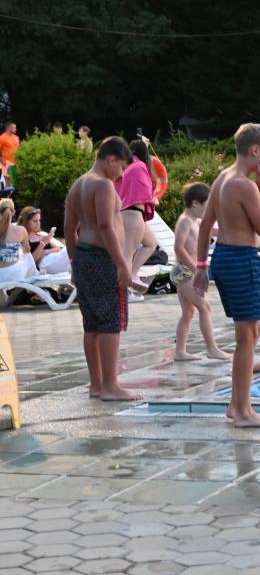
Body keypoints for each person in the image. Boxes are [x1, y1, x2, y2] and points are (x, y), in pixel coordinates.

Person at [193, 122, 260, 427]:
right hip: (242, 259)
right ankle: (242, 410)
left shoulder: (222, 178)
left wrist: (201, 268)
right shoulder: (245, 185)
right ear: (255, 151)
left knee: (252, 332)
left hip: (223, 258)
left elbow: (205, 226)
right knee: (246, 337)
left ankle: (236, 403)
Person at [64, 136, 141, 401]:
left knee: (92, 324)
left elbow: (69, 230)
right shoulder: (103, 185)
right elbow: (107, 226)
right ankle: (111, 386)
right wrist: (122, 264)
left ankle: (96, 385)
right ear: (111, 159)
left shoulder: (78, 185)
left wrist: (74, 263)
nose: (121, 175)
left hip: (84, 258)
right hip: (104, 259)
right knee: (110, 322)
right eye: (122, 168)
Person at [171, 183, 231, 362]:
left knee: (188, 313)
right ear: (195, 203)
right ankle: (212, 349)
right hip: (184, 270)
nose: (208, 210)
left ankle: (180, 352)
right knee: (204, 307)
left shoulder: (195, 221)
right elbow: (178, 248)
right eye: (207, 206)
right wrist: (196, 269)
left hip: (184, 271)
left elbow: (213, 229)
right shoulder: (184, 221)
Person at [115, 139, 158, 297]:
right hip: (133, 214)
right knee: (127, 253)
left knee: (151, 243)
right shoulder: (140, 166)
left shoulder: (124, 167)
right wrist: (154, 199)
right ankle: (124, 292)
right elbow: (145, 193)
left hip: (123, 213)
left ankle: (132, 275)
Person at [17, 206, 70, 274]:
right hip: (45, 263)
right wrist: (42, 243)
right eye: (35, 221)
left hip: (54, 257)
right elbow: (30, 261)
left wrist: (46, 251)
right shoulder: (23, 238)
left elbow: (59, 248)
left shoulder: (42, 234)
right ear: (26, 222)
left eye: (39, 220)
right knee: (72, 250)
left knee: (71, 250)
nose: (38, 223)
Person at [0, 199, 33, 283]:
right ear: (13, 212)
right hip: (14, 274)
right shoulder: (21, 230)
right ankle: (33, 280)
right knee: (27, 254)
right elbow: (27, 250)